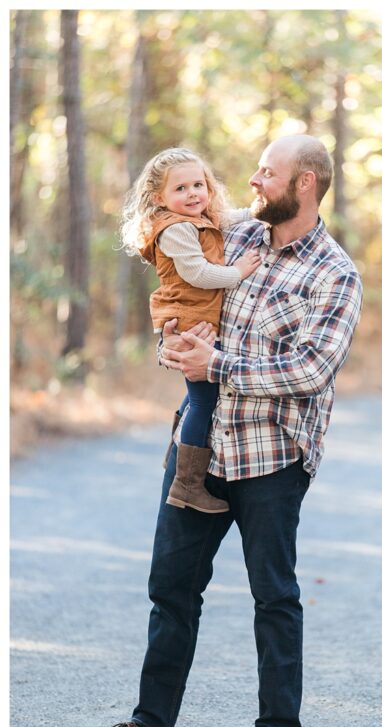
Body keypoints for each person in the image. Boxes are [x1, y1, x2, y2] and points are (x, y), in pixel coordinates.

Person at [84, 135, 362, 727]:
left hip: (271, 459)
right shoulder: (229, 239)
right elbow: (184, 310)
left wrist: (220, 365)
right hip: (198, 449)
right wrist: (176, 348)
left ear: (306, 184)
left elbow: (311, 370)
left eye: (268, 173)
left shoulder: (335, 274)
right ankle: (151, 723)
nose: (253, 182)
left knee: (274, 595)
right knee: (171, 588)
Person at [121, 148, 262, 513]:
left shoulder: (197, 218)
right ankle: (187, 484)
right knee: (202, 400)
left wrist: (259, 211)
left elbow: (227, 219)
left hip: (194, 316)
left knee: (197, 396)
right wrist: (239, 272)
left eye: (198, 184)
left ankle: (177, 453)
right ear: (160, 198)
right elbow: (198, 273)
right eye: (181, 188)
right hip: (188, 320)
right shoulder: (177, 229)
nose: (193, 194)